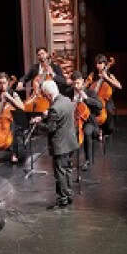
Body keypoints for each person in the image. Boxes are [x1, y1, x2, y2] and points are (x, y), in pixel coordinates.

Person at [29, 79, 77, 209]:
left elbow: (50, 128)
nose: (45, 98)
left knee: (60, 172)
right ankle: (69, 195)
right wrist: (46, 115)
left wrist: (38, 123)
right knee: (67, 170)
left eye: (45, 96)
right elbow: (59, 117)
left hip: (60, 145)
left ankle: (62, 200)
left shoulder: (55, 108)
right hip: (70, 142)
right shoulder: (67, 100)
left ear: (49, 95)